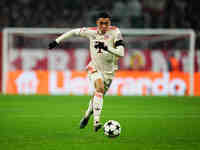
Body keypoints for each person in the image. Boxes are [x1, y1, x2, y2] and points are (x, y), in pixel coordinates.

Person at [48, 12, 125, 132]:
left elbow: (121, 53)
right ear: (97, 23)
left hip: (109, 72)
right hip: (93, 67)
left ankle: (87, 116)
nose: (104, 26)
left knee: (97, 96)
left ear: (109, 23)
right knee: (99, 88)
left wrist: (106, 48)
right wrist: (56, 41)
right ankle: (96, 122)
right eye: (101, 23)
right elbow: (73, 32)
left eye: (106, 23)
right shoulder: (91, 32)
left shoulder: (116, 32)